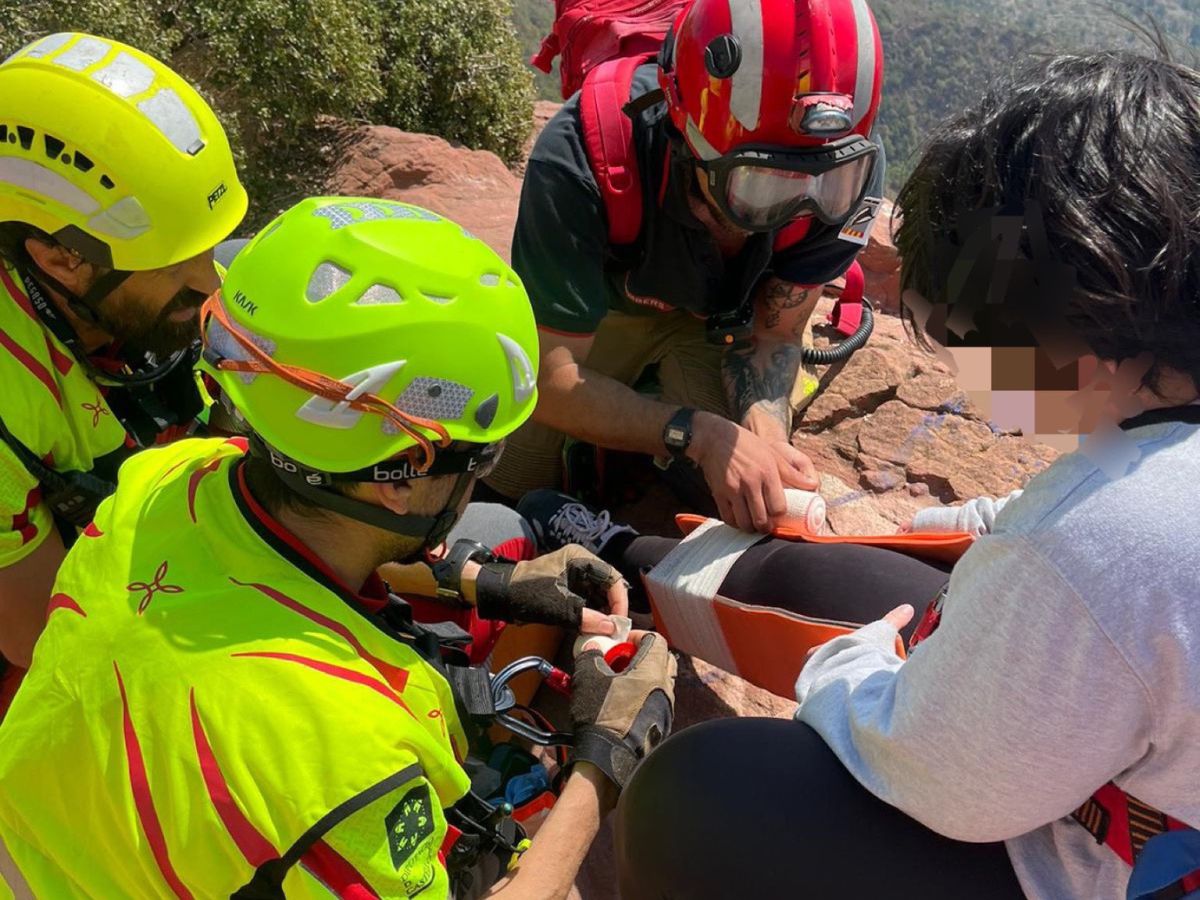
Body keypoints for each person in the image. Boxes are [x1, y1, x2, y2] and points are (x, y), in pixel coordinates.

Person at [614, 48, 1200, 899]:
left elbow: (949, 785)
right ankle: (625, 552)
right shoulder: (1149, 468)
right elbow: (1098, 548)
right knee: (872, 577)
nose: (975, 384)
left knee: (700, 792)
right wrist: (938, 524)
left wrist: (851, 668)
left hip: (1088, 855)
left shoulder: (1094, 544)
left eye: (968, 342)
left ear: (1074, 332)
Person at [0, 197, 677, 897]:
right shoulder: (348, 754)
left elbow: (285, 553)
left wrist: (490, 584)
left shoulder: (168, 478)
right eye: (482, 455)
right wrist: (607, 760)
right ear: (402, 476)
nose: (484, 474)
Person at [484, 0, 887, 534]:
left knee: (756, 500)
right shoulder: (582, 154)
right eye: (758, 187)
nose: (794, 208)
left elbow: (778, 332)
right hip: (606, 312)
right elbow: (553, 377)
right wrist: (695, 432)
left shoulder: (843, 166)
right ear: (685, 133)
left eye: (822, 187)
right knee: (503, 490)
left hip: (716, 324)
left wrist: (765, 430)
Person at [0, 32, 247, 669]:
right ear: (60, 257)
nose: (210, 283)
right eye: (173, 264)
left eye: (211, 247)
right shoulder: (10, 401)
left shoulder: (136, 280)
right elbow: (50, 646)